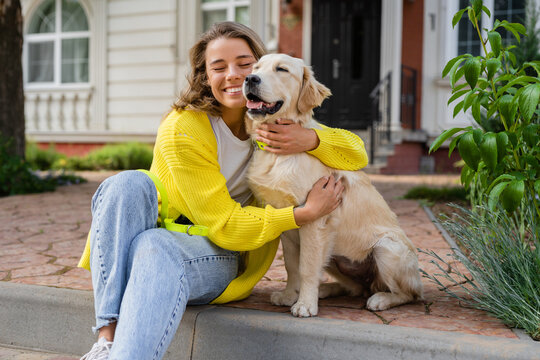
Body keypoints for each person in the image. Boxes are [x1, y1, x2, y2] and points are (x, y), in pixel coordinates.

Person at [78, 21, 368, 360]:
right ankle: (106, 339)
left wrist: (313, 139)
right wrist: (301, 215)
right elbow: (223, 222)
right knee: (126, 184)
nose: (235, 75)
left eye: (245, 64)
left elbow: (357, 153)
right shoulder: (183, 128)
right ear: (205, 77)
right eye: (219, 67)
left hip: (221, 257)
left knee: (154, 243)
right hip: (179, 237)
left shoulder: (271, 122)